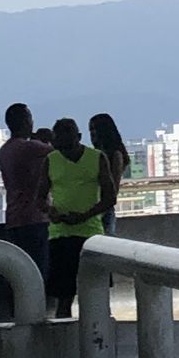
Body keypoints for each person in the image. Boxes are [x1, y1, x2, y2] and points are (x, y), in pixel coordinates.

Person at [45, 116, 107, 320]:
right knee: (64, 297)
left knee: (95, 294)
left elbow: (110, 197)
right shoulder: (50, 160)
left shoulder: (97, 158)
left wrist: (85, 216)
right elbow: (39, 197)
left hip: (91, 235)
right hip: (61, 235)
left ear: (78, 137)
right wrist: (51, 212)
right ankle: (65, 340)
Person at [0, 102, 51, 282]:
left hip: (13, 218)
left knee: (19, 274)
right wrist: (45, 138)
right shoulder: (30, 147)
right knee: (38, 271)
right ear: (26, 122)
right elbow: (59, 150)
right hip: (34, 217)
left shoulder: (4, 151)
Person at [89, 114, 130, 231]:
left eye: (95, 129)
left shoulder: (115, 155)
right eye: (90, 130)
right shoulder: (95, 154)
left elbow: (113, 188)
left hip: (103, 210)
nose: (92, 133)